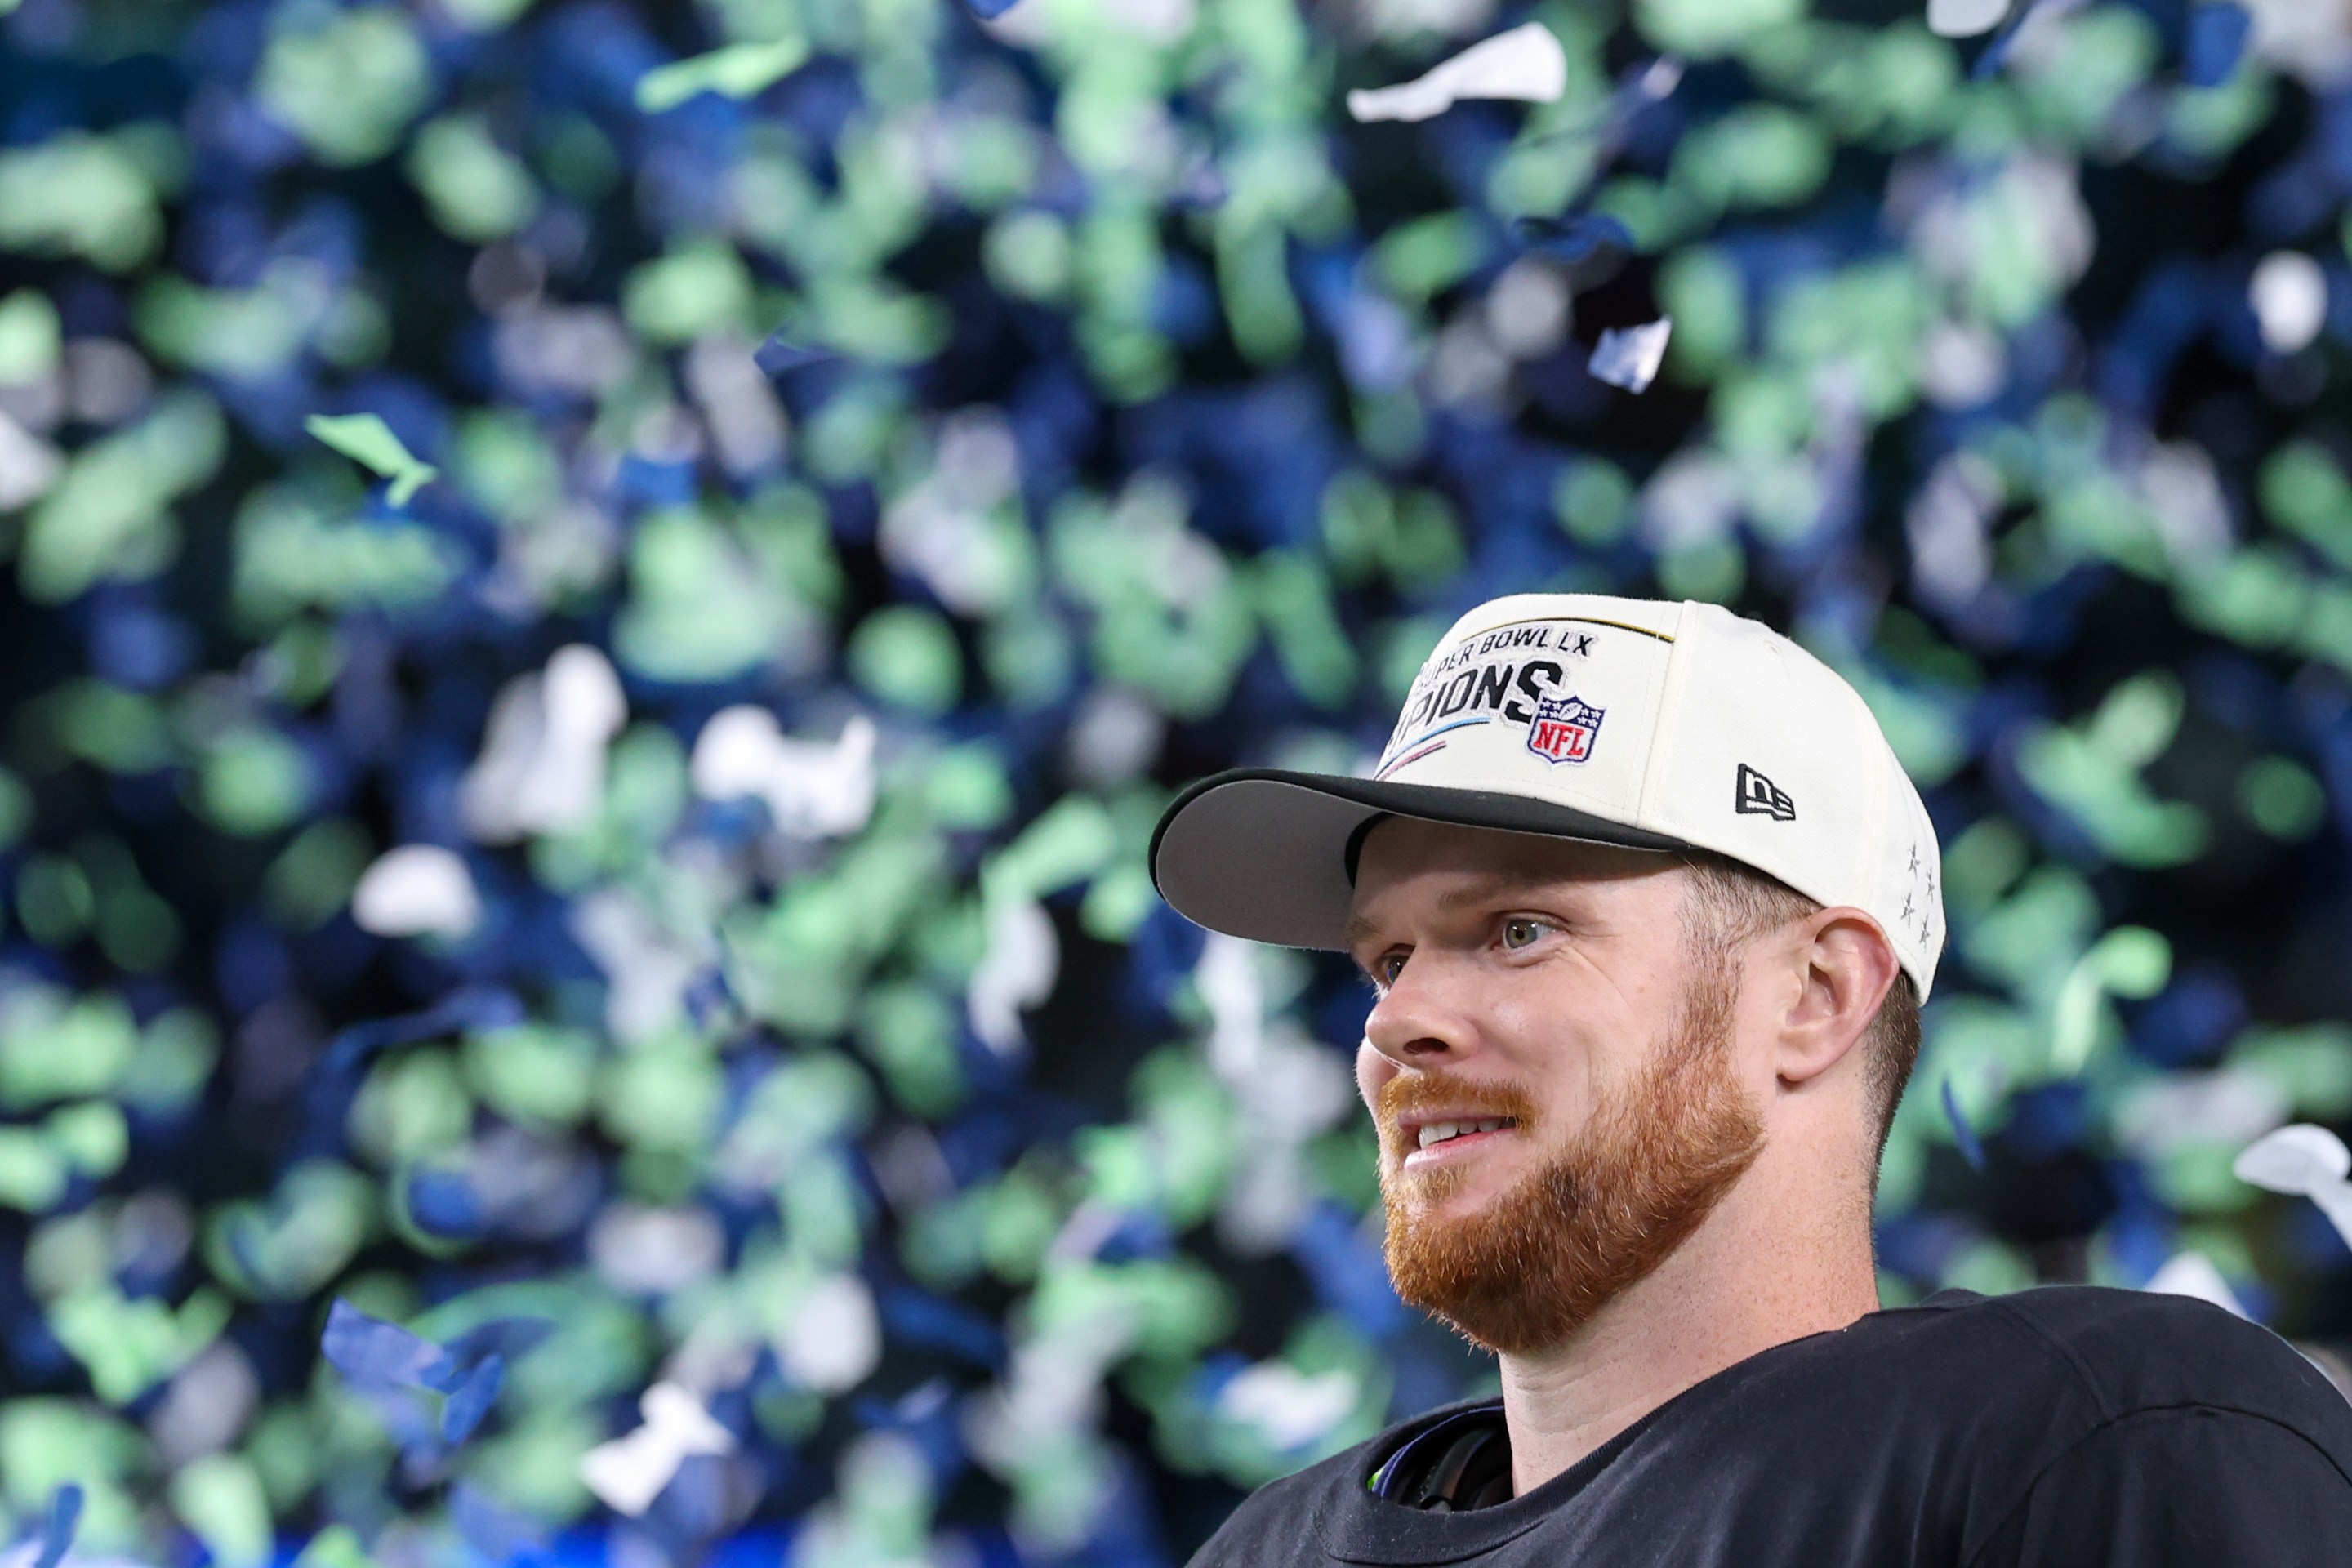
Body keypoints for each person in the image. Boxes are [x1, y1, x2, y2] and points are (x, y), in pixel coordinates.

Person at [1148, 592, 2352, 1566]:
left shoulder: (2091, 1442)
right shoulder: (1264, 1551)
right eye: (1389, 960)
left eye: (1519, 931)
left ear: (1814, 994)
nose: (1397, 1021)